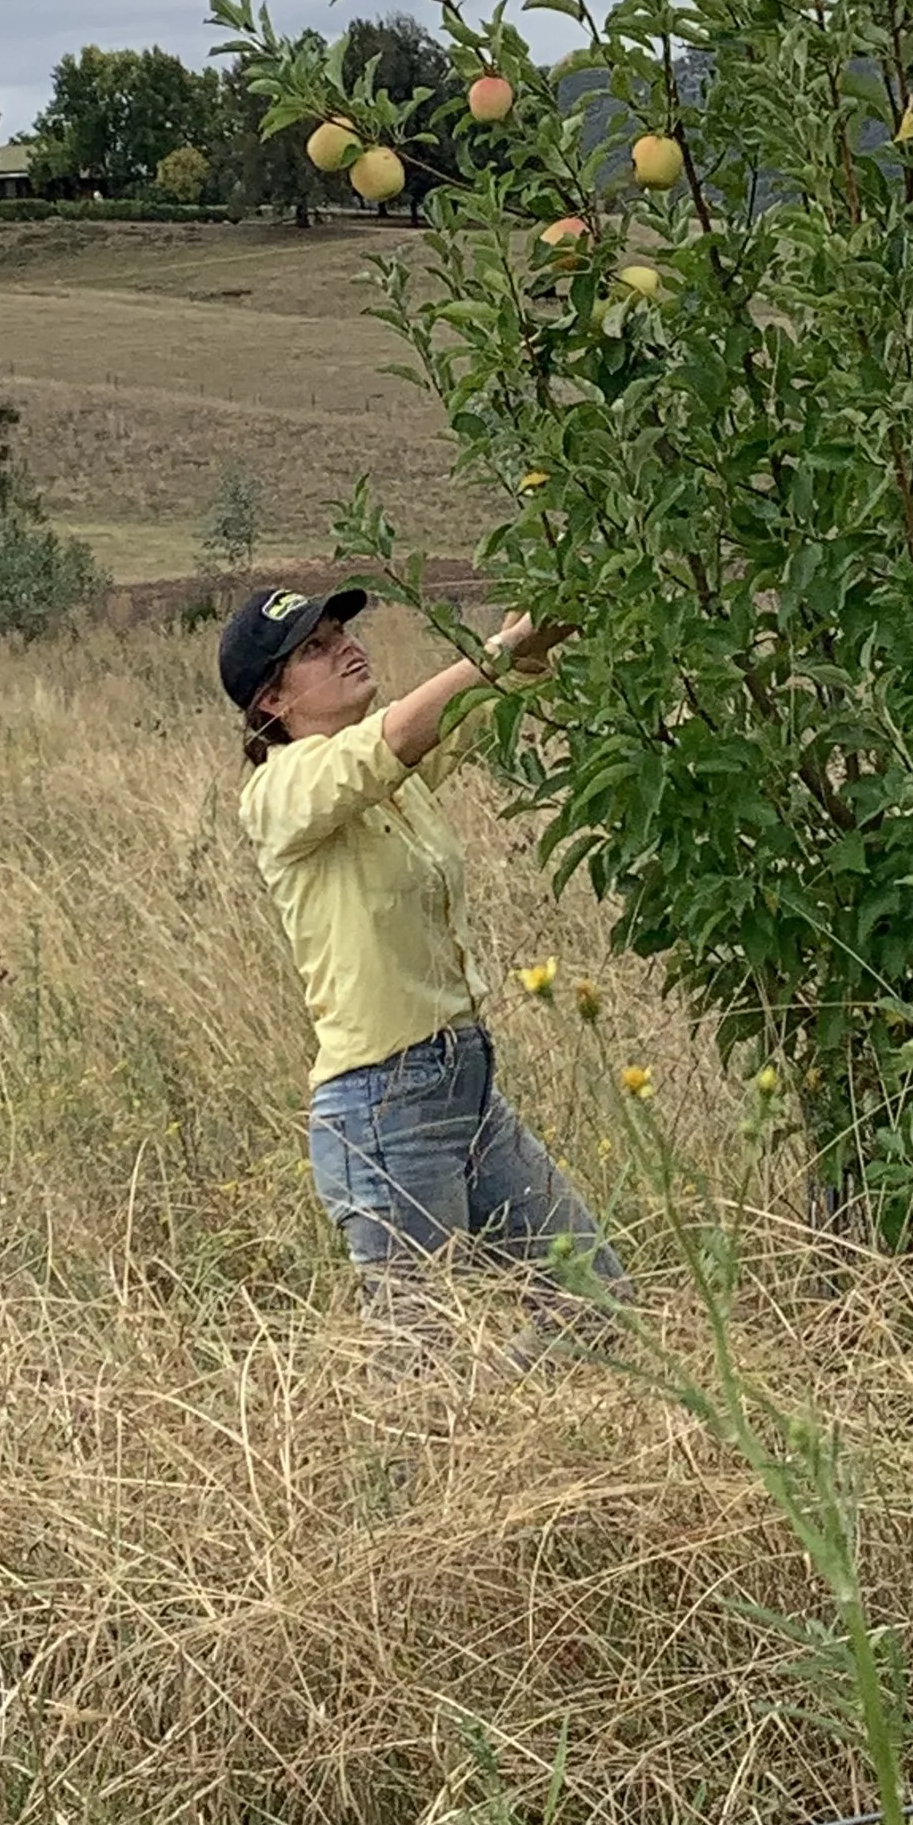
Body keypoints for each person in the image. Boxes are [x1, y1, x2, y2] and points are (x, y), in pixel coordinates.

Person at [220, 579, 626, 1362]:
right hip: (382, 1108)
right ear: (271, 700)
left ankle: (494, 1454)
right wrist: (498, 650)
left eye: (339, 630)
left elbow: (456, 726)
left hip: (462, 1087)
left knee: (592, 1298)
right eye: (313, 646)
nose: (344, 645)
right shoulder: (279, 791)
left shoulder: (381, 782)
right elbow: (395, 744)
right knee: (419, 1374)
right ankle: (422, 1477)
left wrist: (530, 653)